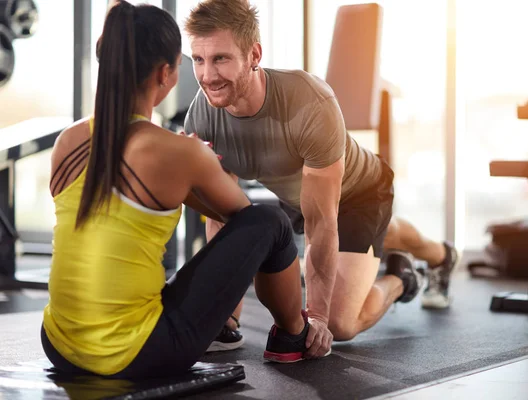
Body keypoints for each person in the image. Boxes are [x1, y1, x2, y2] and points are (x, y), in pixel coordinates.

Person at [41, 1, 330, 380]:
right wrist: (200, 164)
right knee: (272, 219)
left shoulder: (69, 140)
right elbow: (247, 222)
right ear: (165, 73)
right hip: (135, 354)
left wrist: (191, 166)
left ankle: (256, 328)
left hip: (58, 344)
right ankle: (294, 335)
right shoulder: (176, 151)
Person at [183, 0, 459, 351]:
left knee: (341, 324)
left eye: (220, 58)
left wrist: (317, 317)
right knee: (380, 234)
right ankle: (436, 254)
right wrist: (225, 317)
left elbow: (322, 222)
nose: (207, 75)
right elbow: (222, 218)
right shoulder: (203, 118)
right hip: (300, 197)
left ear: (254, 55)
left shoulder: (308, 102)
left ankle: (403, 278)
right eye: (198, 59)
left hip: (360, 193)